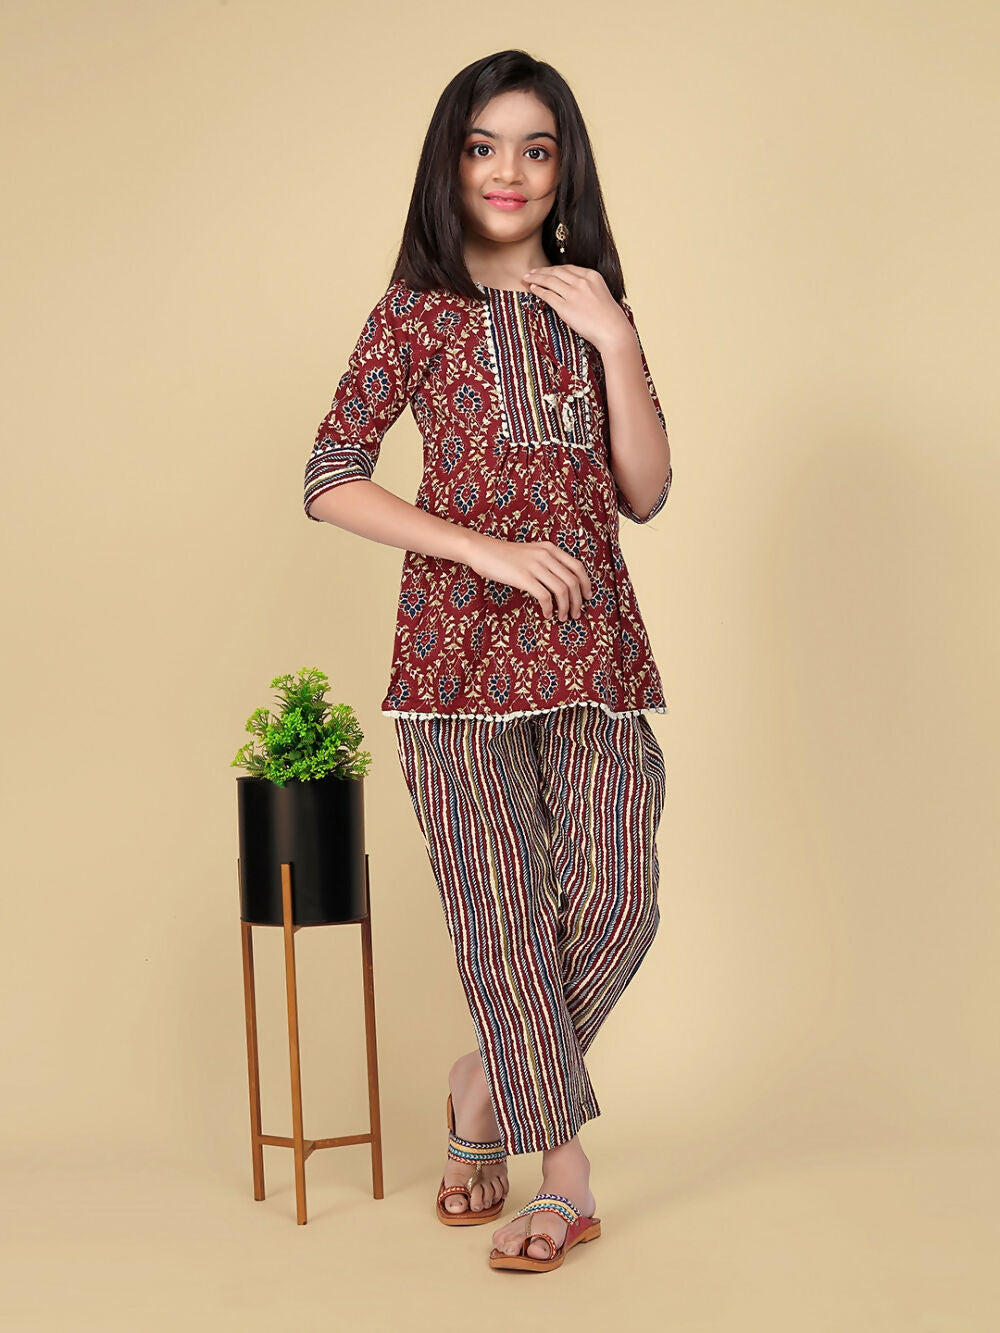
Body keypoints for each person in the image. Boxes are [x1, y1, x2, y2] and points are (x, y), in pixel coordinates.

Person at [302, 49, 673, 1274]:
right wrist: (485, 550)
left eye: (534, 148)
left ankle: (481, 1086)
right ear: (450, 163)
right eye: (482, 146)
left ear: (563, 169)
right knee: (505, 922)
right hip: (452, 665)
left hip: (592, 655)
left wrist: (614, 338)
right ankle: (563, 1177)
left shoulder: (593, 303)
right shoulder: (414, 310)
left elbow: (644, 491)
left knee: (618, 903)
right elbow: (330, 476)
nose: (507, 171)